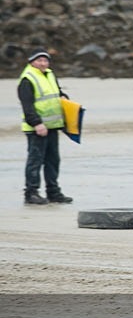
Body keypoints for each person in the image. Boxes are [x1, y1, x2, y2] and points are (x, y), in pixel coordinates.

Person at [17, 48, 73, 205]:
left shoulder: (49, 74)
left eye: (45, 60)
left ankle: (53, 192)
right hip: (37, 129)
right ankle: (31, 193)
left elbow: (57, 93)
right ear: (31, 62)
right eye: (39, 60)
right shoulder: (27, 79)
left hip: (53, 126)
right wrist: (37, 124)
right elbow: (27, 105)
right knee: (35, 160)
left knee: (53, 160)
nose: (43, 63)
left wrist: (64, 97)